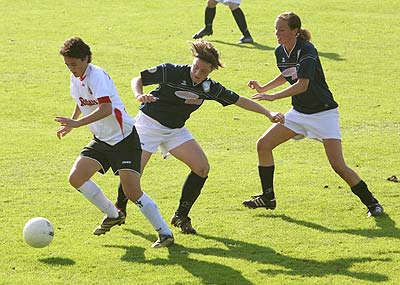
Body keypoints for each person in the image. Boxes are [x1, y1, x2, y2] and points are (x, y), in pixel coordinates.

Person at [114, 39, 284, 234]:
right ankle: (120, 208)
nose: (197, 73)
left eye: (203, 71)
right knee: (132, 174)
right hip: (148, 125)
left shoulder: (209, 88)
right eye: (195, 68)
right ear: (192, 62)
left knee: (202, 168)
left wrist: (268, 113)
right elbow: (138, 79)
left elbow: (239, 100)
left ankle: (181, 216)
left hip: (175, 130)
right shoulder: (172, 71)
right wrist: (139, 94)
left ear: (211, 70)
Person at [242, 12, 384, 217]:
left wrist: (273, 97)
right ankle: (268, 197)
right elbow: (287, 73)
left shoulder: (307, 50)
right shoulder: (279, 51)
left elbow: (302, 84)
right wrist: (264, 87)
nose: (277, 33)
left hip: (324, 113)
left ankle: (372, 204)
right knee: (263, 144)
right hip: (299, 114)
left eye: (281, 30)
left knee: (338, 165)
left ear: (295, 31)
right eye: (275, 29)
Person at [56, 37, 174, 248]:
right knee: (76, 178)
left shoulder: (97, 76)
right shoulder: (76, 77)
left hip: (123, 138)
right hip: (101, 139)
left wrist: (78, 123)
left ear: (86, 59)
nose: (71, 69)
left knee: (132, 192)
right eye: (67, 65)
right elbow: (80, 101)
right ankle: (113, 214)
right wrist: (72, 123)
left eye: (73, 64)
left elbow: (106, 109)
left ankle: (165, 233)